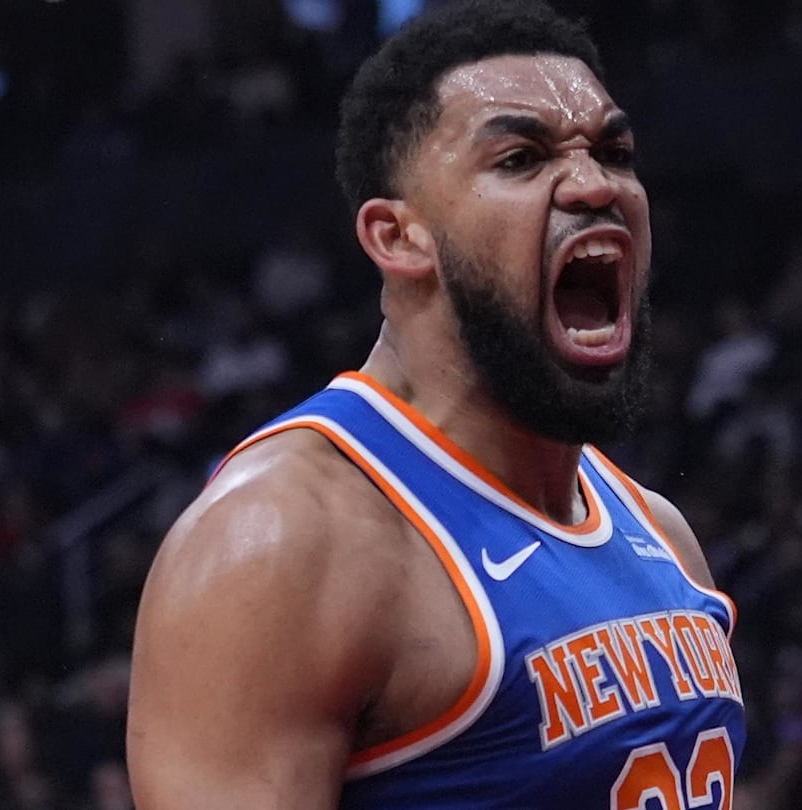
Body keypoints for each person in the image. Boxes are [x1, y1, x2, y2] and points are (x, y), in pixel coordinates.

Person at [125, 1, 746, 807]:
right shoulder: (281, 546)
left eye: (614, 151)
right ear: (398, 237)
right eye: (522, 158)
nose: (594, 183)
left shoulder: (661, 535)